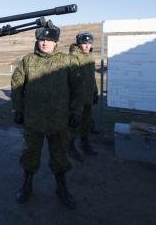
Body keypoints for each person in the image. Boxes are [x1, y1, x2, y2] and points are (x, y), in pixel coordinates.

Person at [11, 24, 83, 209]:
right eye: (42, 39)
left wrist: (76, 112)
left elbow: (77, 89)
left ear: (56, 43)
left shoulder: (68, 61)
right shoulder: (28, 61)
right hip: (33, 120)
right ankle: (27, 186)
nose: (45, 43)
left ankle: (62, 188)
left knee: (60, 157)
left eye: (49, 40)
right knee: (29, 155)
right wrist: (17, 110)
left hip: (59, 121)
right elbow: (17, 86)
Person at [68, 31, 99, 162]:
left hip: (88, 96)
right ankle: (70, 147)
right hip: (76, 99)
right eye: (84, 43)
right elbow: (69, 81)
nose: (87, 46)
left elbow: (92, 78)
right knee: (74, 124)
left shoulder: (90, 57)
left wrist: (95, 92)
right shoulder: (73, 58)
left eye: (89, 43)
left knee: (86, 122)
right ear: (78, 43)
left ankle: (85, 144)